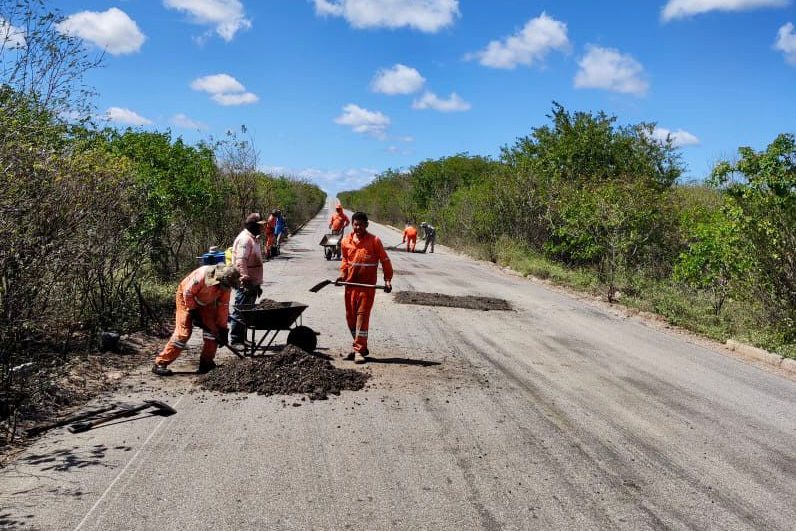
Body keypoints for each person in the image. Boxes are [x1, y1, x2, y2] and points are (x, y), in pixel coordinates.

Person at [152, 264, 241, 376]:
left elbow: (223, 307)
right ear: (221, 279)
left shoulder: (226, 287)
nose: (227, 289)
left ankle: (206, 363)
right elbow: (188, 293)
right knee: (183, 334)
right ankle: (160, 363)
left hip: (207, 303)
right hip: (186, 299)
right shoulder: (204, 276)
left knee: (213, 333)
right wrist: (193, 312)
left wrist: (223, 329)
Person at [337, 212, 393, 364]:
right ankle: (360, 346)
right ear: (352, 224)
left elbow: (385, 261)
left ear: (366, 225)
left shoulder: (374, 241)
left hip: (367, 288)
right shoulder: (346, 241)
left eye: (361, 224)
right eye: (355, 224)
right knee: (351, 318)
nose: (358, 227)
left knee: (362, 318)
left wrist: (387, 280)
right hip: (350, 286)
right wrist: (342, 275)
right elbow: (345, 260)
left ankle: (359, 351)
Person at [229, 212, 266, 345]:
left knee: (247, 313)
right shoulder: (245, 239)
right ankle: (236, 340)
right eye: (259, 225)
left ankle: (242, 339)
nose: (262, 228)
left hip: (252, 283)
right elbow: (240, 261)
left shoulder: (253, 239)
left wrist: (257, 284)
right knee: (240, 311)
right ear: (253, 226)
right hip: (245, 283)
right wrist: (245, 279)